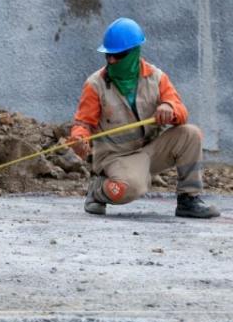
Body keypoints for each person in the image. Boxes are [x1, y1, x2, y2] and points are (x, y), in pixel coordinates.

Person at [70, 17, 219, 219]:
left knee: (190, 134)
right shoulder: (95, 85)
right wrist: (80, 139)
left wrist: (169, 108)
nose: (112, 60)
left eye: (118, 55)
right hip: (116, 157)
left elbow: (181, 111)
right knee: (130, 188)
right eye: (108, 55)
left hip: (150, 151)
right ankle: (97, 189)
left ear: (134, 53)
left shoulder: (156, 78)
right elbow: (83, 124)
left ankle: (188, 199)